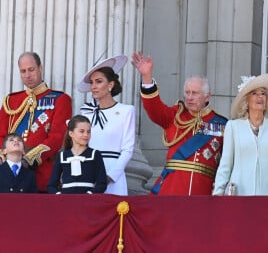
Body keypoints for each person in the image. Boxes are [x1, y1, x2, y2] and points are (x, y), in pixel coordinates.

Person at [131, 51, 227, 195]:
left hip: (203, 190)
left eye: (195, 93)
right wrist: (147, 77)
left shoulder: (222, 124)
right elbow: (154, 109)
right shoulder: (175, 115)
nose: (189, 97)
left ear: (207, 96)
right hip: (172, 187)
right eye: (187, 93)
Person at [0, 52, 72, 192]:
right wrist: (8, 160)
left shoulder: (60, 99)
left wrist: (28, 159)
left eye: (31, 69)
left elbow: (57, 138)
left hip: (43, 175)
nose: (27, 75)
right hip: (12, 175)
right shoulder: (10, 101)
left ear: (40, 68)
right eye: (23, 71)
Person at [77, 55, 135, 195]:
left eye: (99, 81)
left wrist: (110, 176)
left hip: (114, 175)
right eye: (92, 82)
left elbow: (127, 150)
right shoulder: (86, 112)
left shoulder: (126, 111)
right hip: (88, 172)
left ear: (110, 84)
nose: (94, 87)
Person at [213, 74, 268, 195]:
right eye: (254, 93)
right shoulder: (233, 127)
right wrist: (218, 192)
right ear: (246, 100)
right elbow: (225, 164)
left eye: (263, 93)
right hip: (239, 196)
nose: (260, 97)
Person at [48, 115, 107, 194]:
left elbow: (102, 184)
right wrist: (59, 196)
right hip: (66, 201)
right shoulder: (62, 156)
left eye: (88, 132)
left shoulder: (95, 154)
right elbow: (51, 185)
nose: (86, 135)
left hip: (87, 202)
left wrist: (89, 195)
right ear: (71, 133)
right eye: (82, 131)